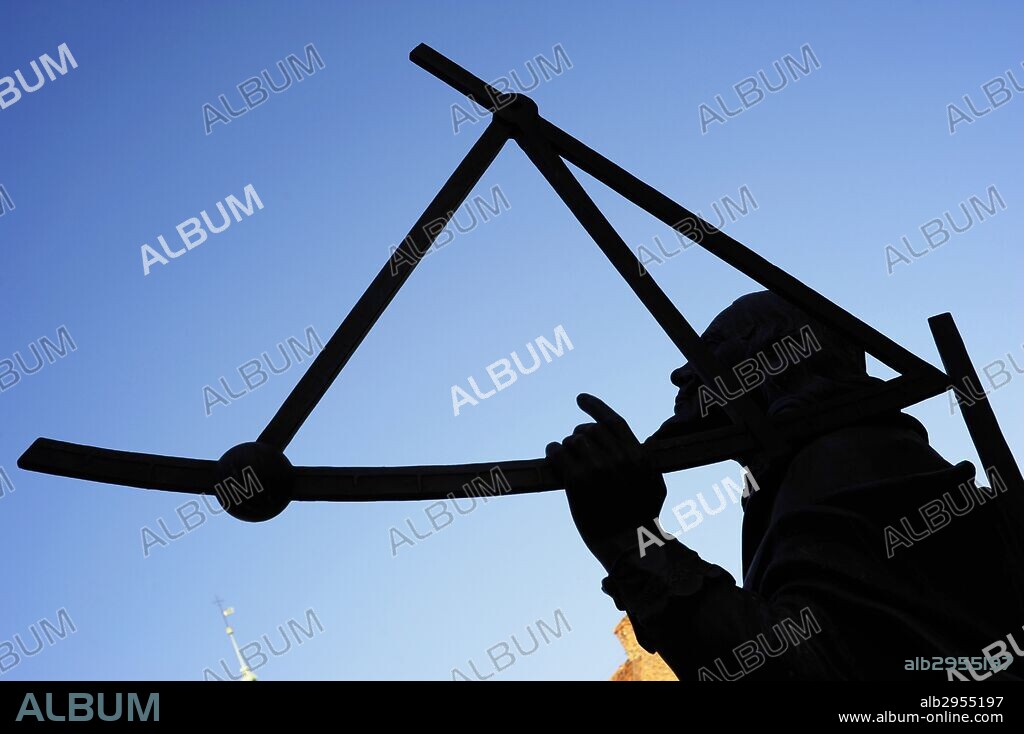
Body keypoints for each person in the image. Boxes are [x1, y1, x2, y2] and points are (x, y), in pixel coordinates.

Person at [546, 291, 1024, 680]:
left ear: (774, 361)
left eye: (712, 348)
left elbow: (809, 667)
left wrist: (633, 539)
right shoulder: (821, 465)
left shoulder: (845, 459)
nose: (682, 372)